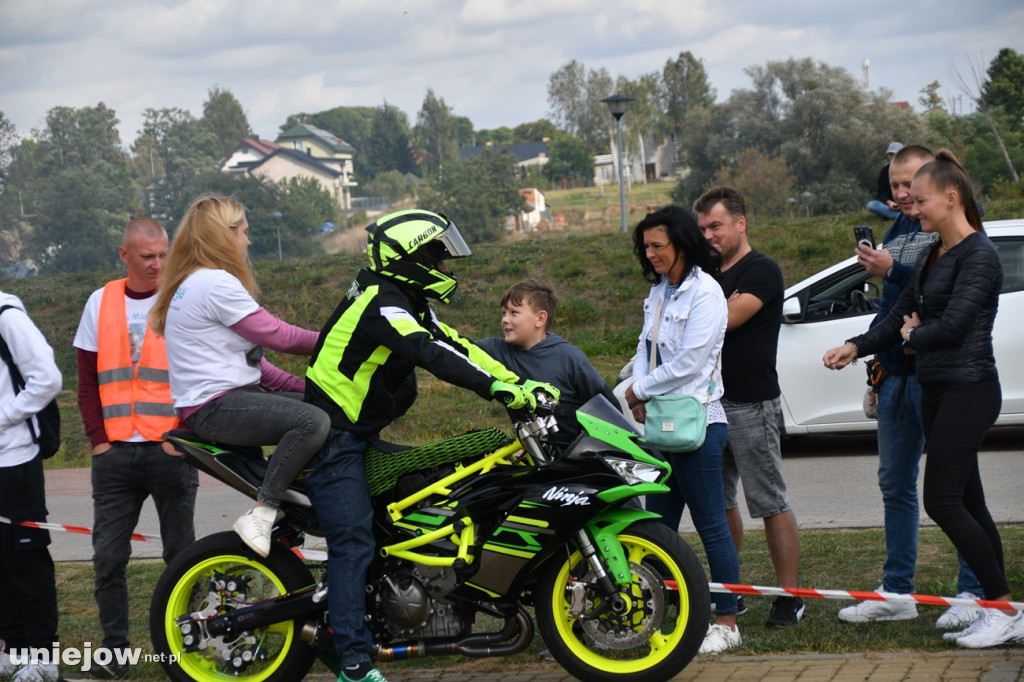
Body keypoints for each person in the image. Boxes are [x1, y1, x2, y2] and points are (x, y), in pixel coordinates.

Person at [303, 209, 555, 682]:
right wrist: (503, 392)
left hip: (357, 433)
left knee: (426, 496)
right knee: (353, 542)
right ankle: (355, 663)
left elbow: (458, 344)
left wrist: (519, 385)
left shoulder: (405, 299)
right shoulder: (382, 302)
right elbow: (431, 355)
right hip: (335, 440)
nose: (444, 269)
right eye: (436, 258)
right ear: (409, 258)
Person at [824, 150, 1022, 648]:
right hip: (937, 388)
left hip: (970, 389)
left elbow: (953, 326)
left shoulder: (980, 255)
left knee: (942, 500)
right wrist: (856, 347)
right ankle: (999, 607)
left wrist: (914, 337)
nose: (914, 207)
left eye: (923, 199)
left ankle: (1000, 605)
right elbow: (899, 318)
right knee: (970, 503)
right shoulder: (934, 253)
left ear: (951, 198)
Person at [150, 194, 331, 559]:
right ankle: (264, 510)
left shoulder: (194, 282)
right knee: (313, 422)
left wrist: (317, 389)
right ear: (223, 235)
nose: (248, 241)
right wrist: (343, 342)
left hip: (222, 403)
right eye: (243, 232)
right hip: (217, 408)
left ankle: (309, 508)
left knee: (327, 410)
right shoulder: (215, 283)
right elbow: (280, 337)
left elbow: (256, 366)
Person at [71, 218, 199, 679]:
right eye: (147, 257)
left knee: (182, 557)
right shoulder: (99, 302)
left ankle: (188, 651)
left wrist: (182, 438)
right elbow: (87, 379)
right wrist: (99, 442)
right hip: (115, 457)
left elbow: (202, 374)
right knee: (108, 558)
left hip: (171, 452)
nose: (158, 265)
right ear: (124, 255)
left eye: (164, 254)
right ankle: (115, 657)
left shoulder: (184, 298)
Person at [621, 205, 740, 655]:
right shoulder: (659, 291)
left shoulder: (706, 293)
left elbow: (690, 363)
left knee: (712, 527)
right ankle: (653, 613)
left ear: (682, 245)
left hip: (698, 426)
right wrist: (633, 388)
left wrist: (637, 391)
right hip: (661, 425)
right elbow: (644, 346)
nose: (650, 254)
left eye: (658, 246)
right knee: (655, 527)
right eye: (646, 246)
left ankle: (727, 622)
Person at [694, 186, 804, 628]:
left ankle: (790, 596)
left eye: (716, 226)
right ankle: (731, 592)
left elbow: (725, 318)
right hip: (707, 403)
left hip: (751, 402)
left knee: (769, 501)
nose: (709, 235)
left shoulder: (762, 270)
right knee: (719, 503)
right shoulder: (702, 274)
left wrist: (691, 310)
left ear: (741, 224)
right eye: (702, 228)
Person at [0, 291, 62, 682]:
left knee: (27, 562)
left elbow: (48, 379)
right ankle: (14, 646)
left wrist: (5, 417)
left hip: (15, 461)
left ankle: (43, 656)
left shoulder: (6, 315)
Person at [475, 278, 617, 443]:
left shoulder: (569, 358)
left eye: (514, 313)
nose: (505, 320)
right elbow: (455, 347)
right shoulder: (496, 350)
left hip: (578, 454)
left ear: (540, 319)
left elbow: (609, 408)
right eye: (503, 313)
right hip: (535, 453)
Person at [866, 142, 903, 220]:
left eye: (895, 154)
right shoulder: (884, 171)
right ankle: (898, 216)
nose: (892, 157)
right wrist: (890, 203)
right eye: (890, 154)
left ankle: (893, 215)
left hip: (906, 203)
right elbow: (881, 192)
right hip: (891, 204)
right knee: (871, 205)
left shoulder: (909, 170)